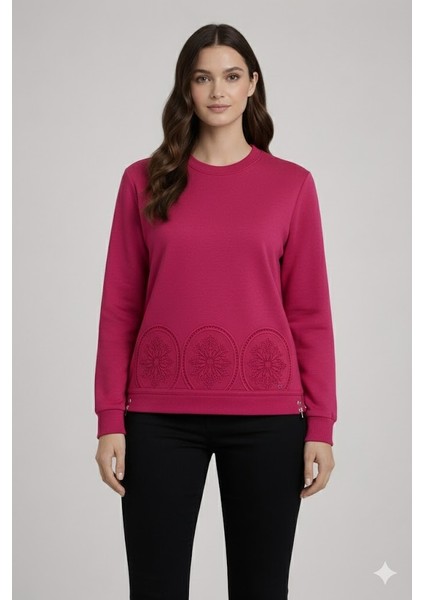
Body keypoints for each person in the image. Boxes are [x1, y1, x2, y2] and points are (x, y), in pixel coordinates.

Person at [94, 22, 337, 600]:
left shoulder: (292, 186)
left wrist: (322, 425)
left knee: (261, 589)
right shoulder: (143, 181)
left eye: (230, 76)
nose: (218, 90)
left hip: (269, 419)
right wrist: (109, 418)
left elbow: (310, 312)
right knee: (155, 589)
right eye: (203, 78)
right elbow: (119, 306)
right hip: (157, 417)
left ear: (252, 83)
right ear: (186, 87)